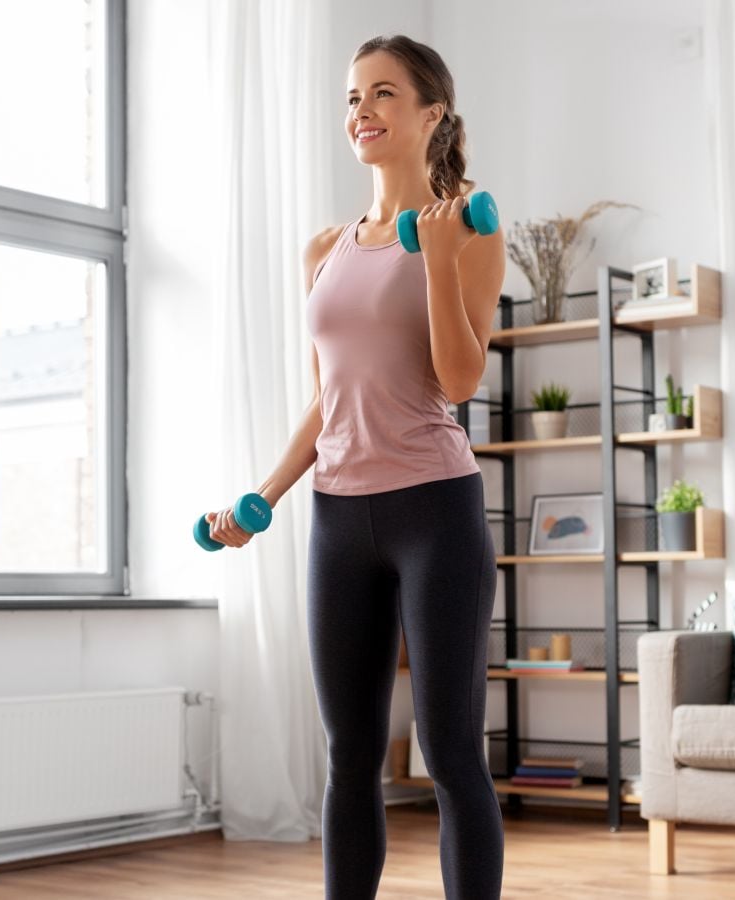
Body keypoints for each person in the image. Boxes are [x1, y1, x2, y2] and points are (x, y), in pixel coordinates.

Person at [201, 32, 507, 900]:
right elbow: (326, 404)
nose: (361, 112)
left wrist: (439, 262)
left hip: (435, 512)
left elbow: (457, 384)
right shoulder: (324, 250)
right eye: (350, 98)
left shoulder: (469, 226)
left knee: (451, 755)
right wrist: (257, 500)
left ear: (430, 114)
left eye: (381, 94)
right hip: (339, 519)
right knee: (349, 757)